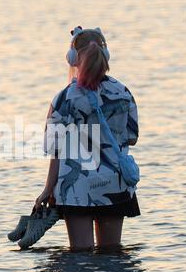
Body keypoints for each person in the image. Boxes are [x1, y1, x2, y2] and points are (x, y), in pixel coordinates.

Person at [37, 26, 141, 250]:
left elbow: (55, 149)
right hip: (115, 182)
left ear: (73, 59)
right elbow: (131, 137)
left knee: (80, 256)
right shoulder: (122, 92)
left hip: (76, 189)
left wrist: (48, 189)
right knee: (113, 256)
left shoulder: (64, 98)